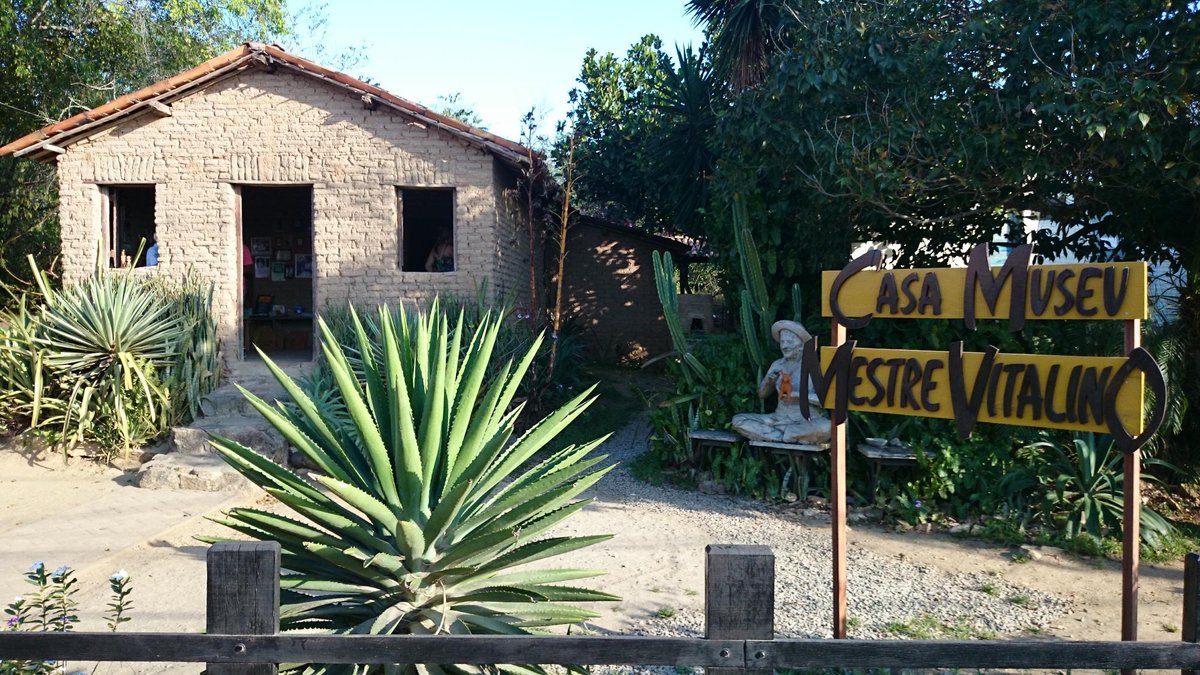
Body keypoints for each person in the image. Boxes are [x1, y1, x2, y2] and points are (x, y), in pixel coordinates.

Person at [731, 320, 831, 444]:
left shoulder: (815, 367)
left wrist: (799, 397)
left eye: (789, 342)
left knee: (827, 427)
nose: (784, 346)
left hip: (805, 421)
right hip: (778, 419)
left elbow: (825, 401)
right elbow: (762, 394)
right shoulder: (777, 364)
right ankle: (785, 436)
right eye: (782, 342)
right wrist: (769, 380)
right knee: (738, 420)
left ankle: (781, 435)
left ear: (801, 344)